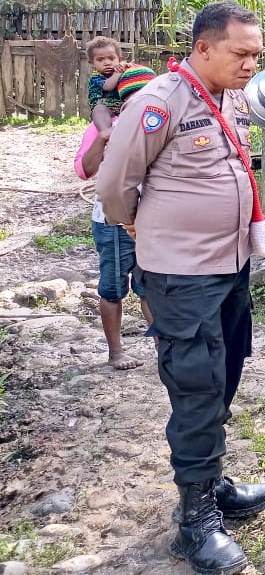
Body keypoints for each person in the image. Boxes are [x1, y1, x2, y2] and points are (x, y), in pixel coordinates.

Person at [96, 1, 265, 575]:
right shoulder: (158, 102)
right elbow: (116, 181)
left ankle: (214, 482)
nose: (251, 64)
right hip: (181, 274)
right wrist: (132, 222)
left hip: (230, 266)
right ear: (203, 48)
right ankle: (195, 522)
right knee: (196, 386)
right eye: (240, 53)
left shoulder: (230, 98)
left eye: (256, 54)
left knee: (226, 370)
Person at [74, 65, 158, 370]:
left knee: (151, 284)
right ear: (124, 102)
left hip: (151, 220)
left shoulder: (158, 124)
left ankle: (165, 345)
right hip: (114, 221)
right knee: (113, 286)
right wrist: (103, 137)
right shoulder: (105, 126)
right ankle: (116, 351)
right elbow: (85, 169)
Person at [86, 36, 129, 132]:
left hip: (123, 106)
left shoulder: (124, 73)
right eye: (100, 60)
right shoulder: (96, 78)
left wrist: (129, 68)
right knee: (99, 110)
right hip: (105, 106)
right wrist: (117, 73)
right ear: (92, 63)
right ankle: (105, 133)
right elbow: (108, 86)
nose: (107, 63)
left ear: (119, 59)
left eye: (111, 58)